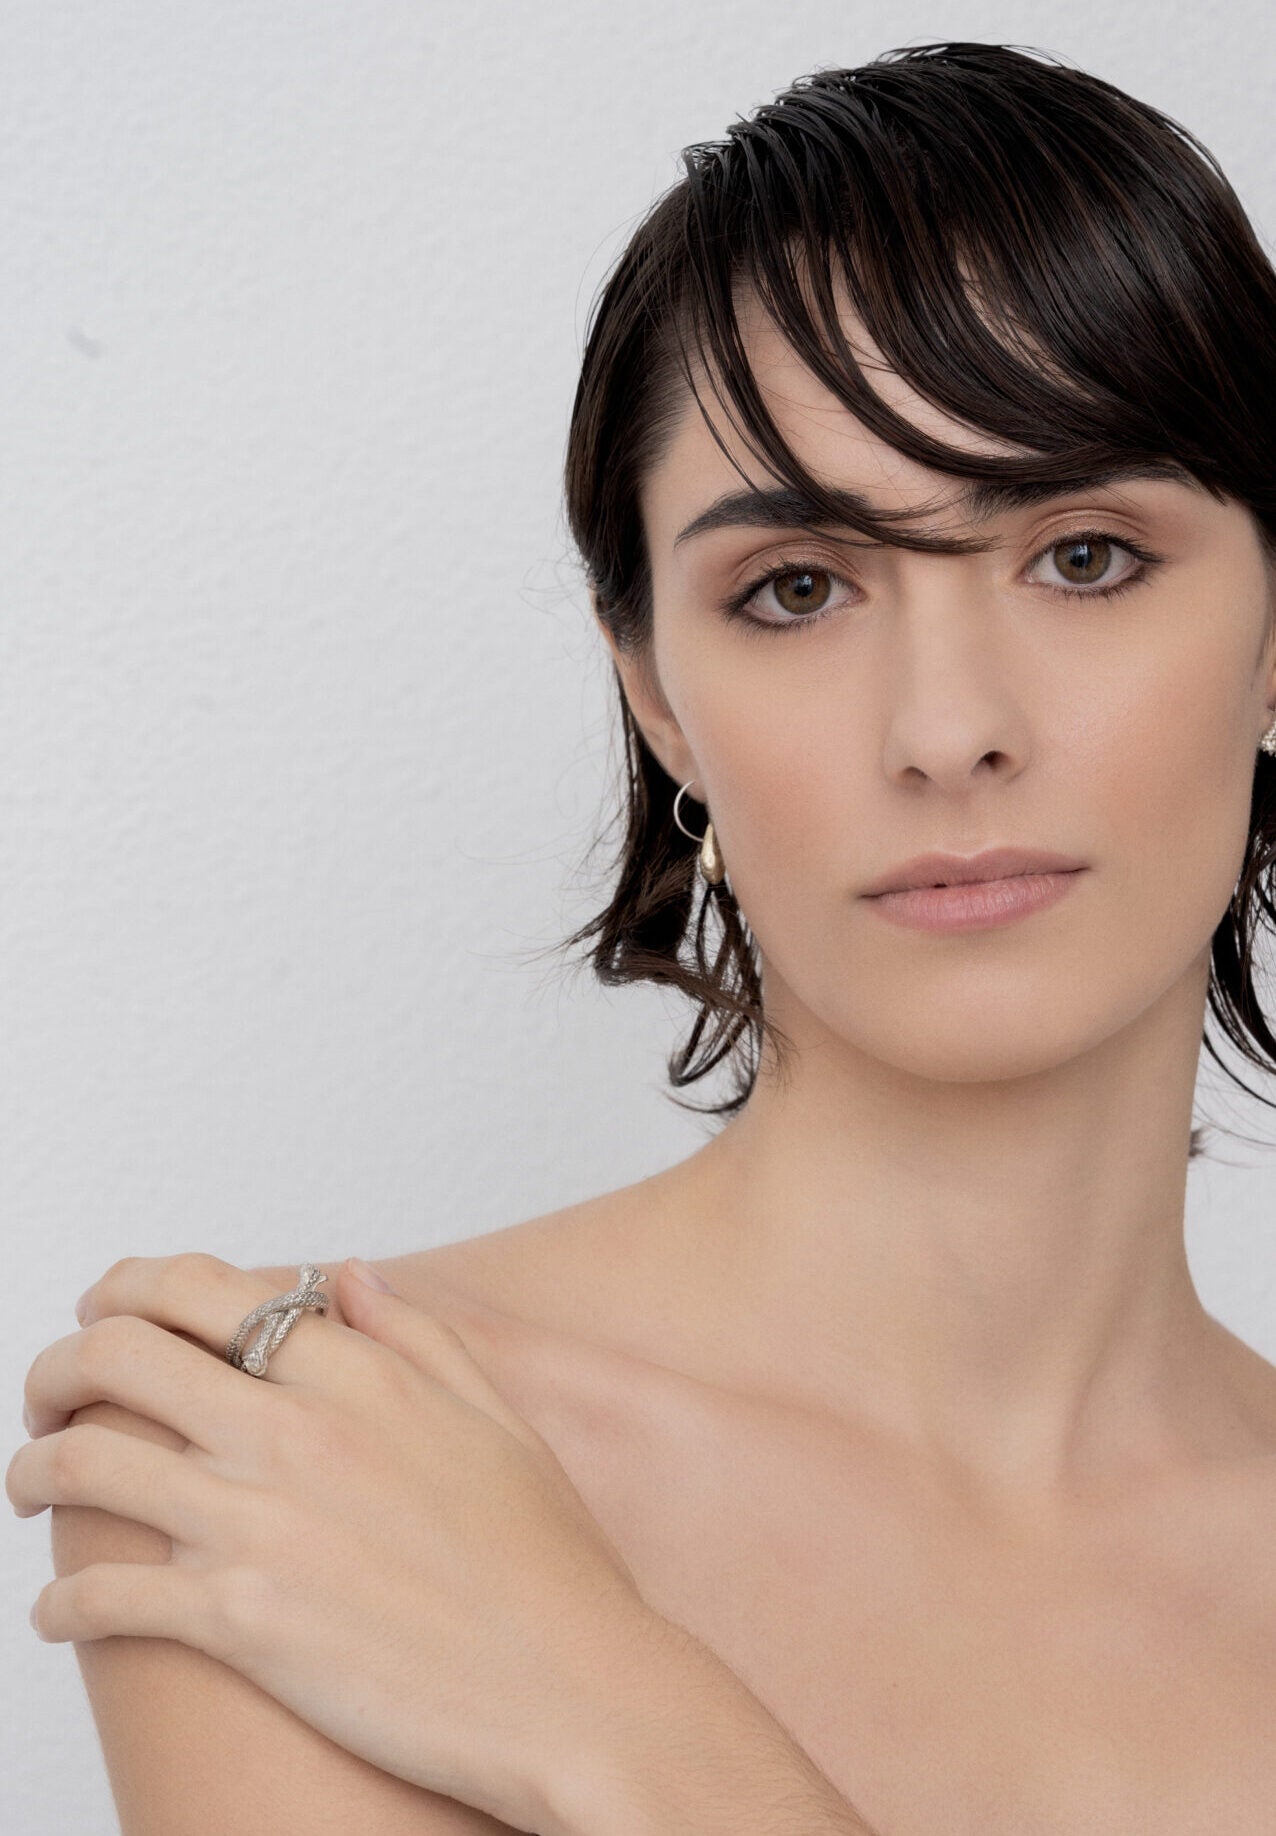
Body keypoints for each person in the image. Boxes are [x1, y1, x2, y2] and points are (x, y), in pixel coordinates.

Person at [15, 38, 1276, 1834]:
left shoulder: (447, 1559)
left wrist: (621, 1724)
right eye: (798, 590)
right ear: (662, 700)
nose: (949, 728)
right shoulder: (298, 1450)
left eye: (1082, 555)